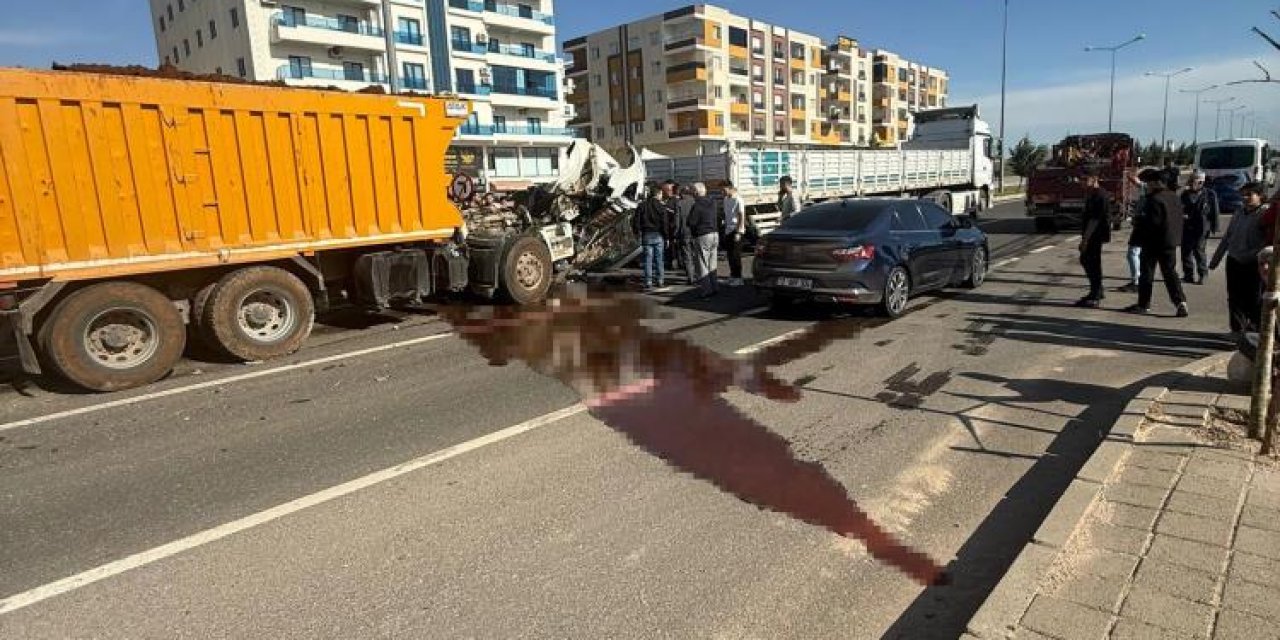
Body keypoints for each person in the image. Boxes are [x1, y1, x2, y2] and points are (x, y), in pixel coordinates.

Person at [1126, 168, 1188, 317]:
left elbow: (1153, 223)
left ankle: (1143, 304)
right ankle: (1180, 302)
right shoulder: (1174, 197)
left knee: (1147, 274)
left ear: (1157, 183)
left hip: (1153, 243)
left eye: (1150, 183)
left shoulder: (1154, 199)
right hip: (1170, 242)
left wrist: (1138, 221)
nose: (1148, 185)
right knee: (1170, 273)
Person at [1210, 182, 1271, 335]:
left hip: (1254, 262)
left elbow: (1267, 241)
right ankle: (1237, 330)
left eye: (1249, 194)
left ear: (1260, 196)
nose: (1245, 198)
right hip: (1234, 260)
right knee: (1234, 298)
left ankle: (1254, 329)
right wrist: (1216, 259)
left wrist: (1257, 255)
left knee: (1254, 298)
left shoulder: (1265, 214)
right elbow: (1228, 236)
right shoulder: (1239, 212)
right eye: (1243, 194)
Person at [1076, 170, 1111, 307]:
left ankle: (1095, 294)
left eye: (1085, 179)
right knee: (1088, 261)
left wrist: (1085, 239)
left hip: (1095, 235)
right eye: (1081, 179)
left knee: (1091, 263)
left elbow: (1095, 220)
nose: (1081, 182)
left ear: (1095, 178)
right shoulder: (1092, 194)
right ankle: (1097, 290)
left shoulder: (1100, 195)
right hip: (1092, 235)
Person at [1180, 171, 1219, 285]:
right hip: (1187, 225)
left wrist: (1214, 226)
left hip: (1202, 226)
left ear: (1202, 181)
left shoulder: (1210, 194)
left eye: (1195, 180)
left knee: (1199, 250)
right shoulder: (1185, 194)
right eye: (1192, 180)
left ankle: (1203, 274)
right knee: (1186, 251)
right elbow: (1180, 206)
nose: (1192, 182)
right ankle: (1188, 275)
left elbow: (1215, 211)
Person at [633, 183, 671, 292]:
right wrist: (667, 237)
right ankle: (660, 281)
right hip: (659, 235)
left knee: (647, 259)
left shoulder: (642, 205)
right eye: (661, 194)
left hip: (646, 235)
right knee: (659, 259)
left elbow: (636, 221)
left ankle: (648, 282)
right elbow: (665, 223)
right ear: (658, 194)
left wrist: (637, 232)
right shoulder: (661, 206)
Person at [686, 182, 720, 298]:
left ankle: (706, 290)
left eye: (692, 191)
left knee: (702, 263)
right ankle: (715, 286)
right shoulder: (712, 202)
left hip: (703, 235)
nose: (692, 193)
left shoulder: (697, 205)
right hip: (715, 233)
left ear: (696, 192)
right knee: (712, 263)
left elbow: (691, 222)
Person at [1118, 173, 1146, 293]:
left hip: (1142, 228)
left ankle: (1137, 282)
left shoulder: (1148, 191)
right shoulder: (1151, 191)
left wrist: (1129, 176)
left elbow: (1138, 183)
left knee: (1133, 254)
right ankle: (1138, 280)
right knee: (1137, 254)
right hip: (1142, 227)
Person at [722, 181, 746, 286]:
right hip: (728, 229)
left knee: (736, 255)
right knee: (730, 255)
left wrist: (739, 232)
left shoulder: (738, 199)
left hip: (736, 230)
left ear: (730, 188)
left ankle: (739, 278)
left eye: (724, 190)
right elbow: (726, 214)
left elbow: (741, 215)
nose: (722, 192)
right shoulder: (726, 199)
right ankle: (732, 275)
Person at [674, 185, 697, 285]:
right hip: (695, 232)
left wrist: (676, 233)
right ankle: (700, 275)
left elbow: (677, 221)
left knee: (687, 255)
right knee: (696, 254)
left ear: (682, 194)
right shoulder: (695, 202)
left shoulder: (679, 203)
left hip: (684, 232)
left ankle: (691, 277)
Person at [660, 180, 680, 273]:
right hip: (669, 227)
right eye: (666, 189)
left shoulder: (675, 200)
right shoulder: (669, 200)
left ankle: (675, 262)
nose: (668, 191)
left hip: (673, 227)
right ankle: (672, 262)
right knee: (671, 246)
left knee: (674, 246)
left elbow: (676, 215)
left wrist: (667, 209)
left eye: (669, 189)